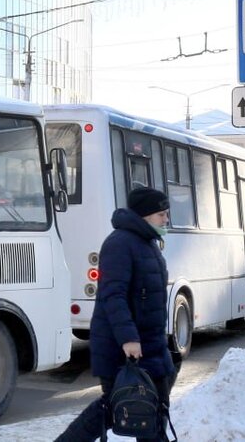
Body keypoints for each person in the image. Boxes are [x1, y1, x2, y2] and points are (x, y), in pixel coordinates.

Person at [56, 187, 176, 442]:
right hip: (125, 348)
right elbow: (113, 295)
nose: (166, 219)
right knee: (119, 409)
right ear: (145, 215)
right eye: (161, 214)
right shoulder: (120, 244)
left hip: (152, 346)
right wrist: (128, 338)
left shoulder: (148, 242)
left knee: (148, 410)